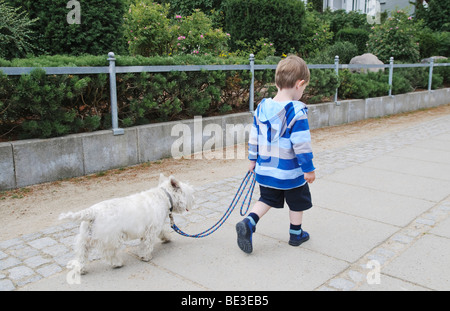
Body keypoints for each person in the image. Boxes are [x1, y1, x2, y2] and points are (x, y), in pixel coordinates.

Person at [236, 55, 316, 254]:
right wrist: (308, 169)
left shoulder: (262, 107)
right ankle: (296, 234)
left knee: (267, 199)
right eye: (304, 89)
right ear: (300, 84)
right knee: (298, 200)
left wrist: (252, 159)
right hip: (290, 172)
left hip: (266, 169)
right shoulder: (296, 111)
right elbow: (301, 144)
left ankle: (249, 221)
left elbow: (254, 137)